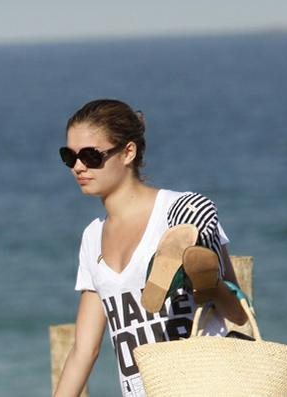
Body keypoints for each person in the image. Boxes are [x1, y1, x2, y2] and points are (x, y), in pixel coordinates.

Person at [53, 99, 247, 397]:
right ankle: (196, 274)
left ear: (128, 152)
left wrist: (212, 287)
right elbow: (84, 349)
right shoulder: (92, 238)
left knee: (194, 224)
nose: (78, 167)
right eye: (70, 156)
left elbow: (238, 314)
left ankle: (202, 275)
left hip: (205, 384)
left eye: (91, 156)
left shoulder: (179, 209)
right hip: (143, 391)